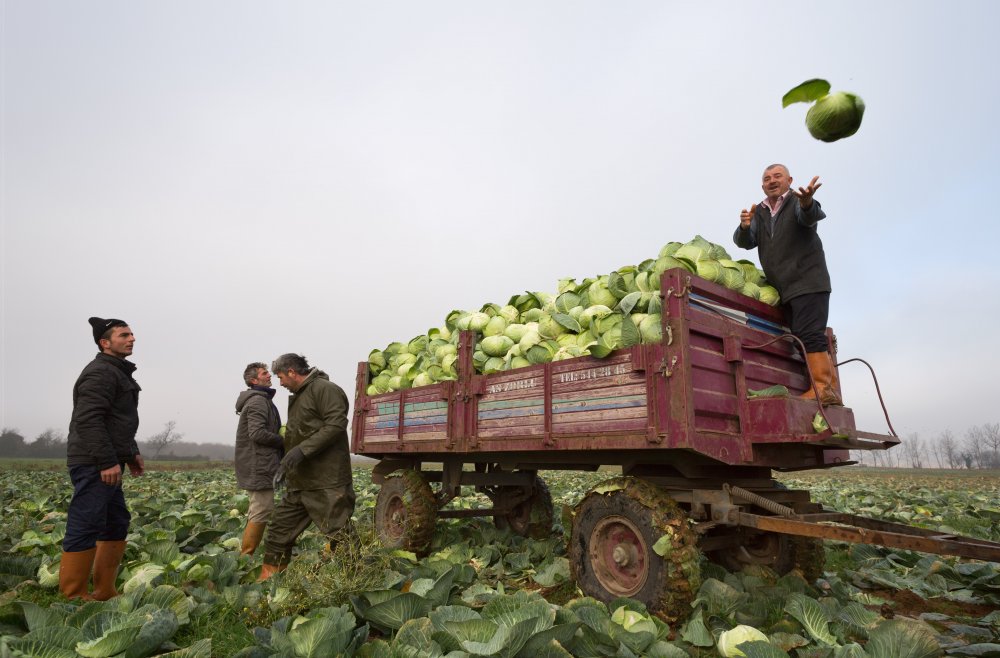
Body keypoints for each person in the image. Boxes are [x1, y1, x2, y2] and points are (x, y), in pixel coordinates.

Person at [734, 164, 843, 406]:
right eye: (766, 178)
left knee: (809, 334)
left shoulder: (796, 201)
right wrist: (744, 227)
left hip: (807, 281)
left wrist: (806, 202)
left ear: (789, 180)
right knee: (802, 337)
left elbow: (809, 216)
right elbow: (746, 242)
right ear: (762, 185)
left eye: (777, 176)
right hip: (785, 289)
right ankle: (827, 390)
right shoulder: (760, 212)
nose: (772, 181)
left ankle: (823, 388)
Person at [60, 317, 145, 600]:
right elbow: (88, 419)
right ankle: (73, 596)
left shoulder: (118, 372)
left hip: (106, 457)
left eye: (132, 334)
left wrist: (130, 453)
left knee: (116, 520)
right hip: (92, 460)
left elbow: (118, 421)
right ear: (105, 343)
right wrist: (107, 461)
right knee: (87, 521)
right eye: (124, 335)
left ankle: (104, 589)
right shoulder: (101, 373)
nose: (131, 338)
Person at [258, 353, 356, 580]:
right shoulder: (301, 394)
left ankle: (356, 580)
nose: (280, 383)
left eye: (281, 377)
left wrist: (300, 451)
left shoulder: (325, 389)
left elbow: (336, 424)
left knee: (340, 535)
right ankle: (269, 583)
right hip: (301, 481)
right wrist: (286, 465)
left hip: (326, 480)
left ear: (292, 372)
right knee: (278, 532)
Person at [234, 362, 284, 556]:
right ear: (254, 380)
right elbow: (257, 433)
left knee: (260, 508)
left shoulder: (261, 399)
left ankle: (247, 554)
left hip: (261, 462)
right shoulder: (257, 401)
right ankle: (246, 557)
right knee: (261, 508)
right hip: (259, 464)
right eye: (265, 374)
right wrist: (283, 440)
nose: (269, 376)